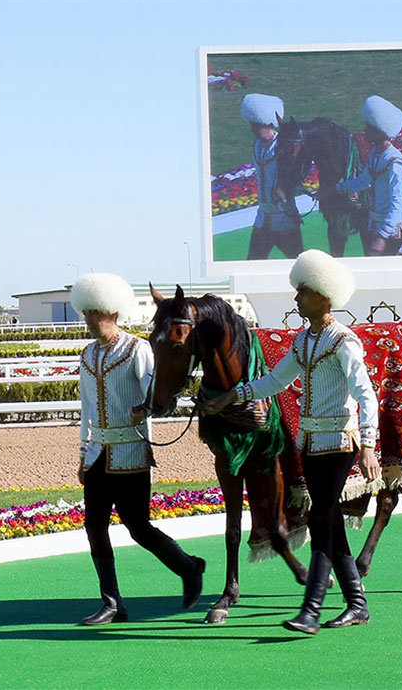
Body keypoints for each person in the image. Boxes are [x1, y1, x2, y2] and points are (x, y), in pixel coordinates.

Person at [202, 249, 380, 635]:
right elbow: (274, 382)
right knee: (328, 519)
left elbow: (366, 394)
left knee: (319, 519)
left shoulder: (343, 341)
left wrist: (368, 444)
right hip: (311, 443)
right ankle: (357, 604)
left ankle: (311, 611)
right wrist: (232, 396)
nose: (296, 297)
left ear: (323, 296)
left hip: (340, 442)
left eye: (303, 291)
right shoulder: (305, 340)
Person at [72, 273, 206, 625]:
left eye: (94, 313)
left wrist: (144, 410)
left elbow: (156, 394)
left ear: (113, 312)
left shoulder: (137, 349)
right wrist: (83, 452)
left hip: (131, 452)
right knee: (94, 526)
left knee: (138, 527)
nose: (88, 320)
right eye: (86, 313)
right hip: (99, 452)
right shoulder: (87, 356)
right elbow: (86, 408)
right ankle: (112, 602)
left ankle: (189, 567)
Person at [336, 95, 402, 256]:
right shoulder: (376, 154)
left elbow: (398, 205)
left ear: (380, 132)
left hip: (391, 233)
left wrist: (382, 237)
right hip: (375, 226)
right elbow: (365, 181)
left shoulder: (395, 163)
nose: (365, 131)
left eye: (369, 128)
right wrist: (337, 189)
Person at [241, 93, 303, 260]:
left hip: (284, 219)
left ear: (269, 124)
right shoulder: (257, 146)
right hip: (263, 219)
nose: (251, 129)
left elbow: (295, 177)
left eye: (255, 126)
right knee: (252, 264)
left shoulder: (285, 148)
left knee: (297, 265)